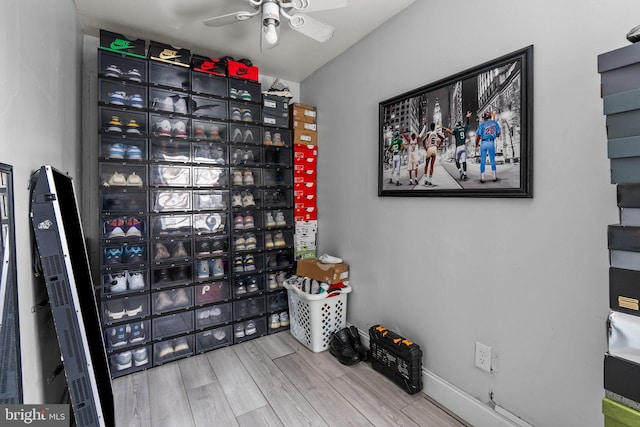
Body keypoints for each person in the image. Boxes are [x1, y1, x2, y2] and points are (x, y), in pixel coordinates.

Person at [443, 111, 473, 181]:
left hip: (458, 147)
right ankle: (465, 174)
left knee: (457, 161)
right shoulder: (464, 128)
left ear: (456, 125)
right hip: (464, 146)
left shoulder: (456, 130)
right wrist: (468, 117)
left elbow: (450, 131)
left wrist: (443, 128)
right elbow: (467, 124)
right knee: (464, 161)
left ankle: (460, 171)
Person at [475, 111, 501, 183]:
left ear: (485, 118)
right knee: (492, 160)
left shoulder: (482, 124)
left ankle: (482, 177)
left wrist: (476, 144)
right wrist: (493, 135)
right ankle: (494, 176)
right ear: (490, 117)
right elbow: (498, 134)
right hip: (491, 142)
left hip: (484, 142)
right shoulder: (495, 123)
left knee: (483, 160)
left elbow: (478, 136)